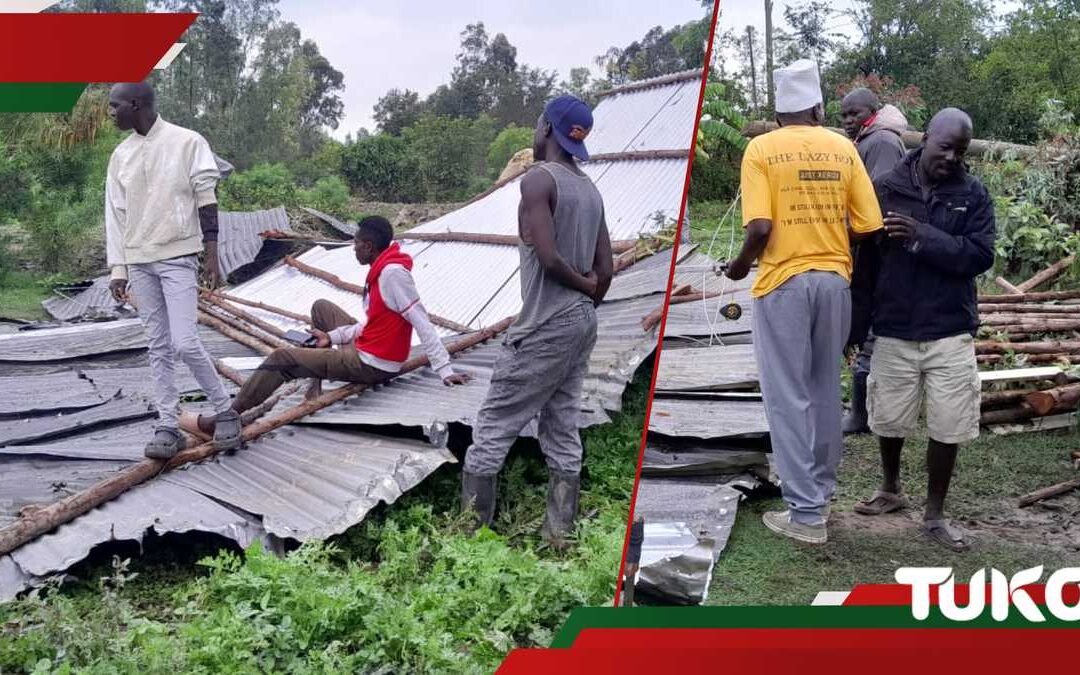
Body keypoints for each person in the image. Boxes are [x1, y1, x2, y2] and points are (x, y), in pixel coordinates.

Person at [724, 59, 883, 544]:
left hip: (783, 283)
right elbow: (869, 226)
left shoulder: (761, 150)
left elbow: (760, 228)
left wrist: (737, 266)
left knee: (787, 397)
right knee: (821, 390)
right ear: (817, 108)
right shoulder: (843, 148)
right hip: (835, 282)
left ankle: (806, 516)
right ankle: (822, 491)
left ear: (778, 114)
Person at [461, 94, 613, 550]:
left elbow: (547, 257)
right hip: (581, 324)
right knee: (562, 423)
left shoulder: (537, 181)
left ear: (546, 128)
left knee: (493, 425)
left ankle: (468, 538)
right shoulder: (590, 189)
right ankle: (559, 534)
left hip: (544, 325)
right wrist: (589, 296)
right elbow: (605, 269)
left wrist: (581, 291)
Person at [849, 108, 994, 552]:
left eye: (961, 151)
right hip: (893, 325)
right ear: (925, 137)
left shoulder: (972, 195)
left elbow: (978, 255)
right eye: (944, 146)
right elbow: (866, 265)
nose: (951, 157)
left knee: (949, 425)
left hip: (949, 327)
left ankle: (934, 514)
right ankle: (891, 489)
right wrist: (857, 326)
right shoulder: (886, 188)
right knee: (889, 417)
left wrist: (921, 236)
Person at [189, 216, 471, 437]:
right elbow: (370, 325)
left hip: (372, 363)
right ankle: (316, 381)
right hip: (370, 346)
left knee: (281, 358)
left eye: (357, 243)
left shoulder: (392, 275)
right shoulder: (382, 269)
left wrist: (444, 369)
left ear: (369, 246)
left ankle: (226, 417)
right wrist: (331, 336)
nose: (354, 247)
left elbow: (421, 321)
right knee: (321, 307)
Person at [105, 81, 239, 460]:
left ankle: (225, 410)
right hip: (138, 260)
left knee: (184, 341)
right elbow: (115, 216)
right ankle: (167, 424)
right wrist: (119, 268)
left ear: (136, 104)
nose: (111, 113)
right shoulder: (121, 155)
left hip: (178, 256)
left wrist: (211, 254)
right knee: (158, 347)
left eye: (115, 106)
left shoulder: (187, 142)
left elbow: (206, 200)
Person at [839, 88, 910, 434]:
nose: (849, 121)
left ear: (873, 111)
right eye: (844, 116)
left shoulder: (880, 141)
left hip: (880, 247)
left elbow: (878, 198)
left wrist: (848, 234)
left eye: (854, 113)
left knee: (873, 326)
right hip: (873, 245)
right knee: (868, 321)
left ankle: (860, 415)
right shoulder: (869, 139)